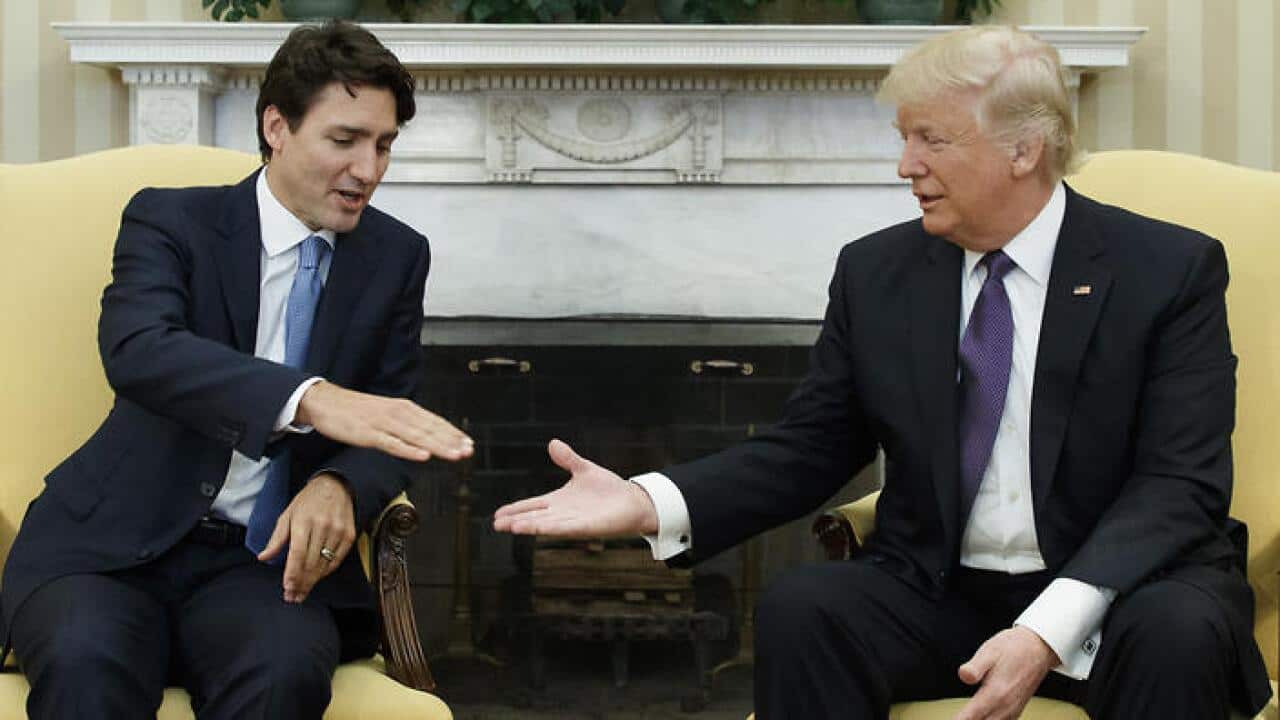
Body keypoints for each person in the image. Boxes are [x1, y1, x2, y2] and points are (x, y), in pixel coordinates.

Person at [495, 26, 1272, 720]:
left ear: (1023, 149)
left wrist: (1045, 629)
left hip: (1120, 592)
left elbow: (1180, 484)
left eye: (930, 139)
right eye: (904, 139)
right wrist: (644, 501)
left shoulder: (1166, 270)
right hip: (946, 590)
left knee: (1180, 632)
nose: (905, 166)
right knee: (808, 606)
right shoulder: (879, 273)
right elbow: (810, 448)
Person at [0, 20, 474, 720]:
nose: (368, 170)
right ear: (276, 126)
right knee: (85, 664)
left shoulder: (396, 256)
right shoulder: (171, 220)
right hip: (110, 548)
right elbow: (138, 350)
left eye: (383, 145)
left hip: (267, 565)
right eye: (343, 141)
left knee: (284, 677)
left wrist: (340, 484)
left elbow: (389, 417)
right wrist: (308, 400)